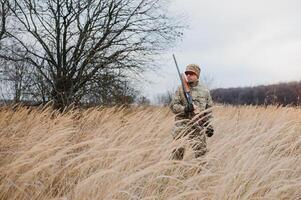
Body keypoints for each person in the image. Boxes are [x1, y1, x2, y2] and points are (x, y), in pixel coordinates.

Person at [169, 64, 214, 160]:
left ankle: (201, 174)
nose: (188, 75)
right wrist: (184, 109)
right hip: (182, 127)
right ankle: (174, 173)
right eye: (187, 74)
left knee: (201, 155)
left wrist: (209, 126)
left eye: (191, 74)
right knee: (177, 155)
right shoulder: (180, 89)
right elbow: (173, 106)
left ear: (197, 75)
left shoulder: (205, 91)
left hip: (198, 127)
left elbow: (209, 111)